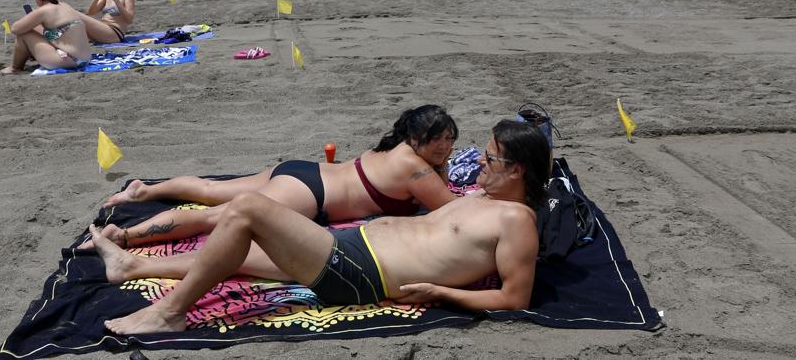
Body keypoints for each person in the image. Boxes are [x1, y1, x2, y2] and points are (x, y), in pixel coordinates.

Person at [90, 119, 548, 333]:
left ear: (518, 171)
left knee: (247, 210)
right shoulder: (485, 199)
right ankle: (131, 265)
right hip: (352, 248)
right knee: (237, 252)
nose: (479, 165)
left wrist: (443, 293)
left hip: (363, 275)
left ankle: (170, 314)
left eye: (490, 159)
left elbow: (514, 297)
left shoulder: (517, 220)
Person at [84, 106, 459, 249]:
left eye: (449, 140)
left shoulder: (394, 149)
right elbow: (453, 211)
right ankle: (124, 236)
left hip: (301, 171)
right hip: (310, 195)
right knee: (214, 217)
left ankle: (144, 191)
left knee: (210, 189)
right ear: (415, 138)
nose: (445, 147)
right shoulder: (417, 168)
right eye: (437, 140)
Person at [2, 0, 93, 74]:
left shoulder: (43, 11)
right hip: (85, 58)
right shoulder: (65, 5)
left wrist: (31, 16)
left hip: (71, 60)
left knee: (24, 34)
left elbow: (15, 29)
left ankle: (15, 68)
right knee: (39, 30)